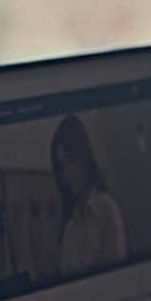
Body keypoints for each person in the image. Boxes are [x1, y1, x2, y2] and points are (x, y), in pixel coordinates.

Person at [50, 113, 128, 278]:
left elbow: (117, 276)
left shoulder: (106, 208)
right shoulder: (70, 227)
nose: (66, 174)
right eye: (61, 167)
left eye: (70, 161)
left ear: (84, 157)